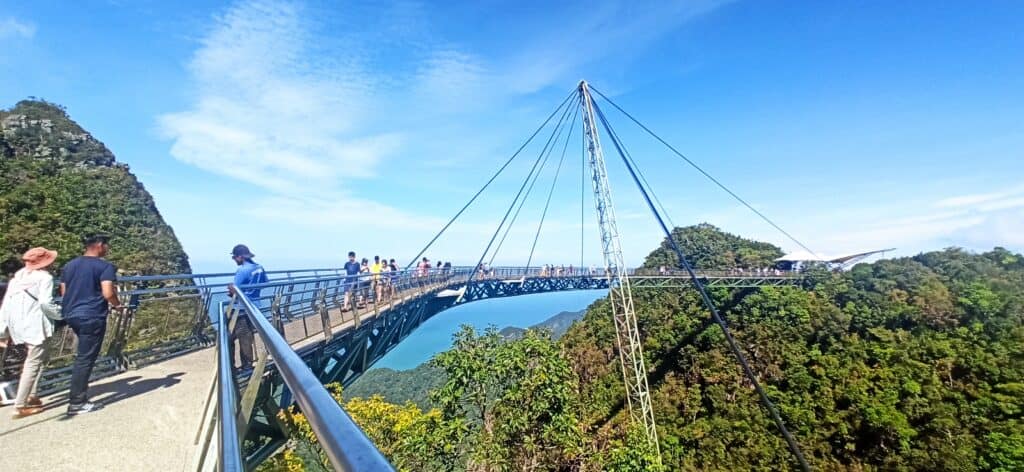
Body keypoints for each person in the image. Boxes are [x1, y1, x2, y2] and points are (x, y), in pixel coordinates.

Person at [60, 234, 122, 415]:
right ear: (100, 245)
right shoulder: (105, 267)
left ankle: (77, 397)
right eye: (106, 246)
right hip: (92, 315)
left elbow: (64, 291)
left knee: (82, 356)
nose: (107, 249)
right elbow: (108, 292)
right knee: (85, 358)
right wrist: (118, 306)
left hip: (72, 314)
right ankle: (77, 402)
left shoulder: (70, 265)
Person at [0, 247, 59, 418]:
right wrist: (61, 314)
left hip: (18, 325)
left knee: (39, 359)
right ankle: (20, 405)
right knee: (33, 363)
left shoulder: (18, 277)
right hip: (36, 325)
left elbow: (6, 306)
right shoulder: (45, 278)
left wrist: (3, 330)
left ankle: (31, 396)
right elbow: (45, 303)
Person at [227, 244, 268, 371]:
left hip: (240, 308)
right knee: (247, 337)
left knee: (230, 337)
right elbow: (265, 283)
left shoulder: (242, 270)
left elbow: (236, 290)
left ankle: (235, 367)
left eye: (234, 257)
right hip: (254, 306)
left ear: (240, 257)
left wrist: (231, 290)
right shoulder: (259, 268)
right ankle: (247, 366)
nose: (234, 259)